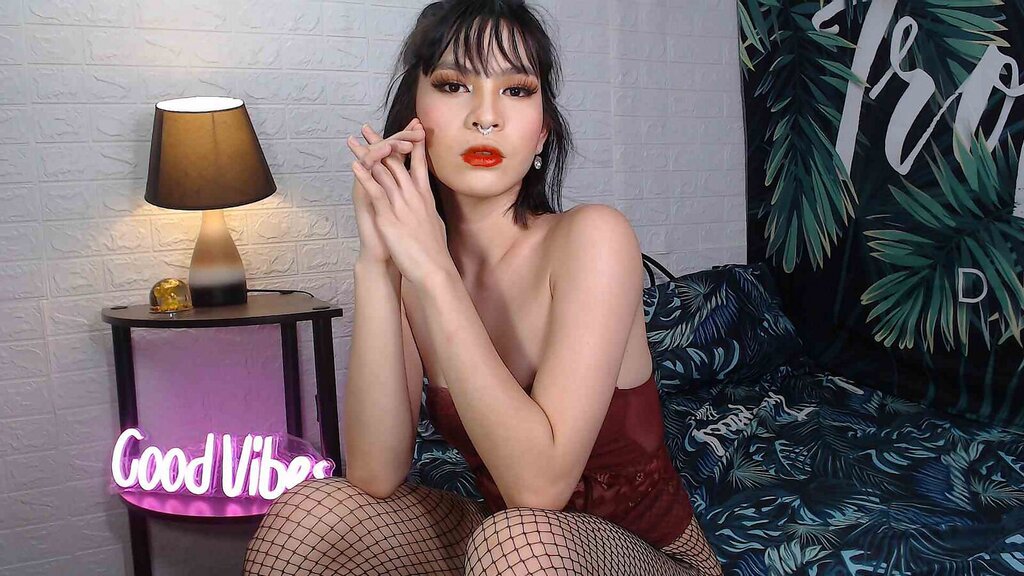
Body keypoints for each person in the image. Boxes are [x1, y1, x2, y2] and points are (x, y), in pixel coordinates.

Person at [243, 1, 723, 574]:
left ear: (541, 133)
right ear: (413, 120)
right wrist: (377, 261)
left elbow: (539, 489)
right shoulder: (413, 268)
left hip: (644, 554)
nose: (486, 117)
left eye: (516, 90)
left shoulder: (593, 237)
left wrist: (433, 272)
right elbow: (375, 472)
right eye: (454, 86)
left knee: (517, 541)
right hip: (501, 540)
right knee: (311, 514)